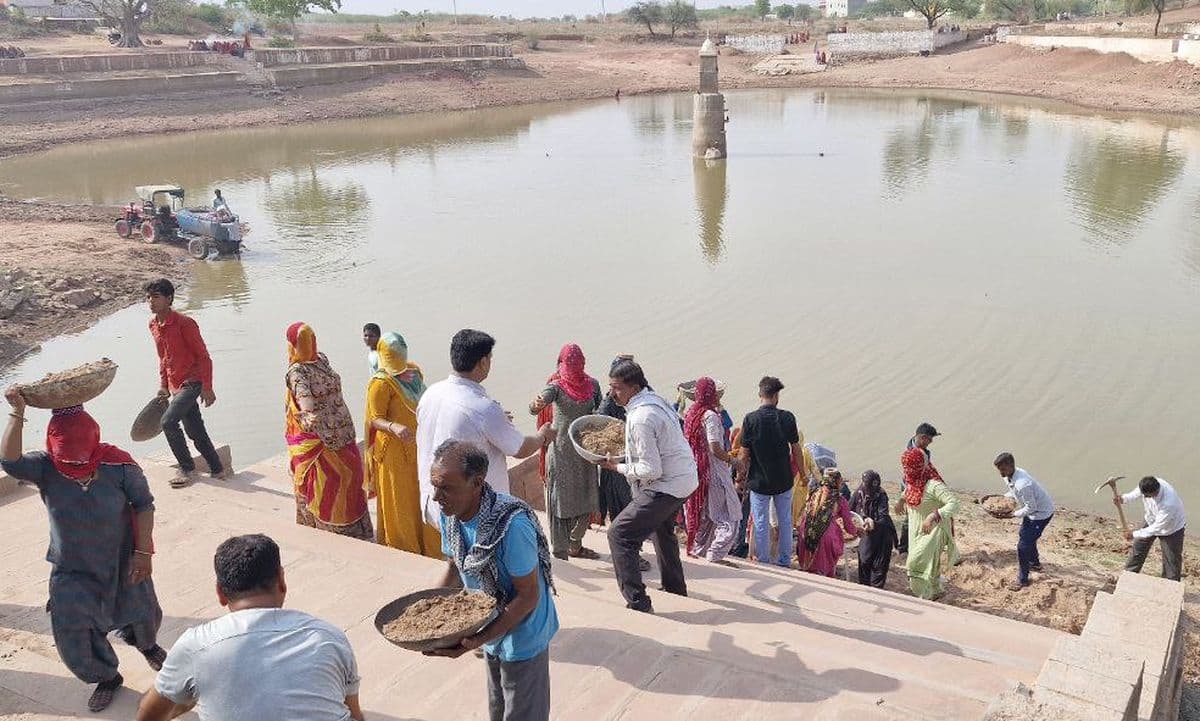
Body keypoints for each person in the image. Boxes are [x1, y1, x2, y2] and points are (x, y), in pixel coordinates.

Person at [2, 390, 165, 713]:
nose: (76, 465)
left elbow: (143, 504)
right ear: (52, 448)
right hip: (72, 569)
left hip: (123, 559)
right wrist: (17, 413)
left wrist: (143, 553)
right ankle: (106, 676)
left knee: (142, 612)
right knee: (73, 631)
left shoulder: (119, 466)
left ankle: (147, 646)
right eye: (67, 461)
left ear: (95, 439)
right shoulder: (45, 468)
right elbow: (9, 460)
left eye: (82, 458)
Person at [136, 534, 364, 721]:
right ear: (282, 582)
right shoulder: (329, 636)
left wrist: (180, 704)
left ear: (220, 593)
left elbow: (148, 715)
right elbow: (353, 712)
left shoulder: (196, 645)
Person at [428, 440, 558, 721]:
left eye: (446, 487)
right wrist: (428, 616)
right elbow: (454, 567)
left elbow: (528, 597)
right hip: (489, 622)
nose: (437, 496)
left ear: (477, 483)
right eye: (434, 485)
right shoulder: (451, 513)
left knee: (523, 713)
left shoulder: (511, 526)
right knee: (498, 710)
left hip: (522, 630)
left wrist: (476, 640)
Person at [417, 329, 556, 528]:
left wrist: (496, 420)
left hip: (434, 501)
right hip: (470, 509)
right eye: (489, 359)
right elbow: (520, 448)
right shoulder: (482, 407)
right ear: (483, 362)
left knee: (455, 553)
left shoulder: (431, 393)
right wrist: (542, 435)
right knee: (482, 556)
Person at [598, 360, 697, 613]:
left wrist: (616, 467)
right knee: (662, 530)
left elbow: (652, 470)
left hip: (667, 483)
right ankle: (675, 588)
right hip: (684, 477)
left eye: (616, 388)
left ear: (633, 387)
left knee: (619, 534)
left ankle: (638, 602)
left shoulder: (641, 416)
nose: (612, 393)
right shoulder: (654, 400)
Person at [284, 322, 373, 541]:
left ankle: (354, 529)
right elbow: (303, 398)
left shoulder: (321, 360)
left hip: (342, 433)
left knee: (352, 477)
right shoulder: (297, 372)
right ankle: (333, 531)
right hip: (322, 441)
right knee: (335, 481)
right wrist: (307, 413)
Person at [145, 278, 226, 489]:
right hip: (175, 385)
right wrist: (163, 384)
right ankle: (218, 469)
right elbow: (162, 357)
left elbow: (204, 357)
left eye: (156, 297)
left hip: (192, 381)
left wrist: (207, 387)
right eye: (149, 297)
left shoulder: (185, 323)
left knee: (168, 421)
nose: (151, 302)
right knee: (195, 430)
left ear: (169, 298)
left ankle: (187, 468)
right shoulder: (154, 324)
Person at [366, 332, 441, 557]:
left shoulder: (413, 373)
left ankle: (430, 546)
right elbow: (374, 418)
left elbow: (425, 399)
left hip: (418, 445)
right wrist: (394, 427)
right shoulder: (380, 383)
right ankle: (405, 546)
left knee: (422, 494)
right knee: (401, 500)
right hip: (393, 452)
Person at [529, 343, 601, 561]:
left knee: (588, 498)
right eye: (572, 363)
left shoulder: (593, 385)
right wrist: (536, 404)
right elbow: (534, 408)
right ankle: (560, 551)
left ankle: (575, 545)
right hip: (561, 453)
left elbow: (599, 410)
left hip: (584, 451)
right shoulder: (556, 387)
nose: (574, 367)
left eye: (577, 363)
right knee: (560, 502)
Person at [740, 376, 801, 567]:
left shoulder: (750, 419)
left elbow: (744, 453)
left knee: (760, 520)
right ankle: (784, 560)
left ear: (760, 395)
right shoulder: (787, 417)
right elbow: (796, 448)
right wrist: (804, 474)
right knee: (785, 520)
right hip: (783, 480)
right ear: (775, 396)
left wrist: (740, 477)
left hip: (759, 481)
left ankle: (764, 560)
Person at [682, 376, 743, 564]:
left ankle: (699, 552)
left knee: (705, 516)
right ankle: (714, 554)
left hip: (696, 471)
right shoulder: (710, 417)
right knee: (731, 516)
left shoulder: (691, 414)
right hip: (713, 473)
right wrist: (734, 461)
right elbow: (715, 447)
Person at [899, 445, 959, 599]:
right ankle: (935, 592)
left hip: (934, 530)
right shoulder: (912, 483)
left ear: (919, 466)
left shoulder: (933, 486)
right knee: (930, 564)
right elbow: (907, 493)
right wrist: (900, 501)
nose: (907, 471)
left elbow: (954, 503)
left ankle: (924, 597)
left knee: (914, 564)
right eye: (906, 467)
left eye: (910, 467)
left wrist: (934, 515)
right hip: (916, 530)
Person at [994, 452, 1054, 591]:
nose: (1000, 473)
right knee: (1025, 536)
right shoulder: (1010, 475)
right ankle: (1035, 563)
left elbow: (1031, 507)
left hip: (1041, 514)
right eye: (999, 470)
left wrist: (1012, 515)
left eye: (1002, 469)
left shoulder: (1023, 483)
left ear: (1010, 466)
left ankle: (1023, 580)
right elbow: (1014, 492)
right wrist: (1002, 499)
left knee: (1022, 546)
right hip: (1032, 511)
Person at [1115, 476, 1186, 582]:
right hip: (1151, 519)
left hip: (1171, 529)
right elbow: (1135, 494)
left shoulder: (1169, 503)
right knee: (1138, 549)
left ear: (1155, 492)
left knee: (1171, 562)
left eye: (1147, 496)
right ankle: (1127, 578)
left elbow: (1157, 528)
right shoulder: (1148, 484)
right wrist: (1123, 499)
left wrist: (1133, 534)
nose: (1145, 497)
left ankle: (1170, 587)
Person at [797, 468, 860, 577]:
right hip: (825, 540)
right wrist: (858, 531)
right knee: (825, 566)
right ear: (837, 483)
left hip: (805, 536)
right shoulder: (839, 500)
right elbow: (849, 527)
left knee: (810, 571)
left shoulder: (813, 494)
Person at [851, 470, 898, 588]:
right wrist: (859, 520)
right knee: (864, 560)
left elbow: (883, 516)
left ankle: (876, 592)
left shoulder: (881, 495)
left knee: (879, 567)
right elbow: (849, 510)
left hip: (882, 533)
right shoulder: (859, 492)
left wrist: (873, 522)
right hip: (866, 533)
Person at [898, 422, 940, 553]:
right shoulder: (911, 453)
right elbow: (910, 477)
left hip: (921, 486)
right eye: (929, 440)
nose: (930, 443)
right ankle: (904, 548)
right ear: (922, 437)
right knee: (909, 518)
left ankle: (917, 543)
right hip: (910, 487)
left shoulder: (923, 450)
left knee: (921, 516)